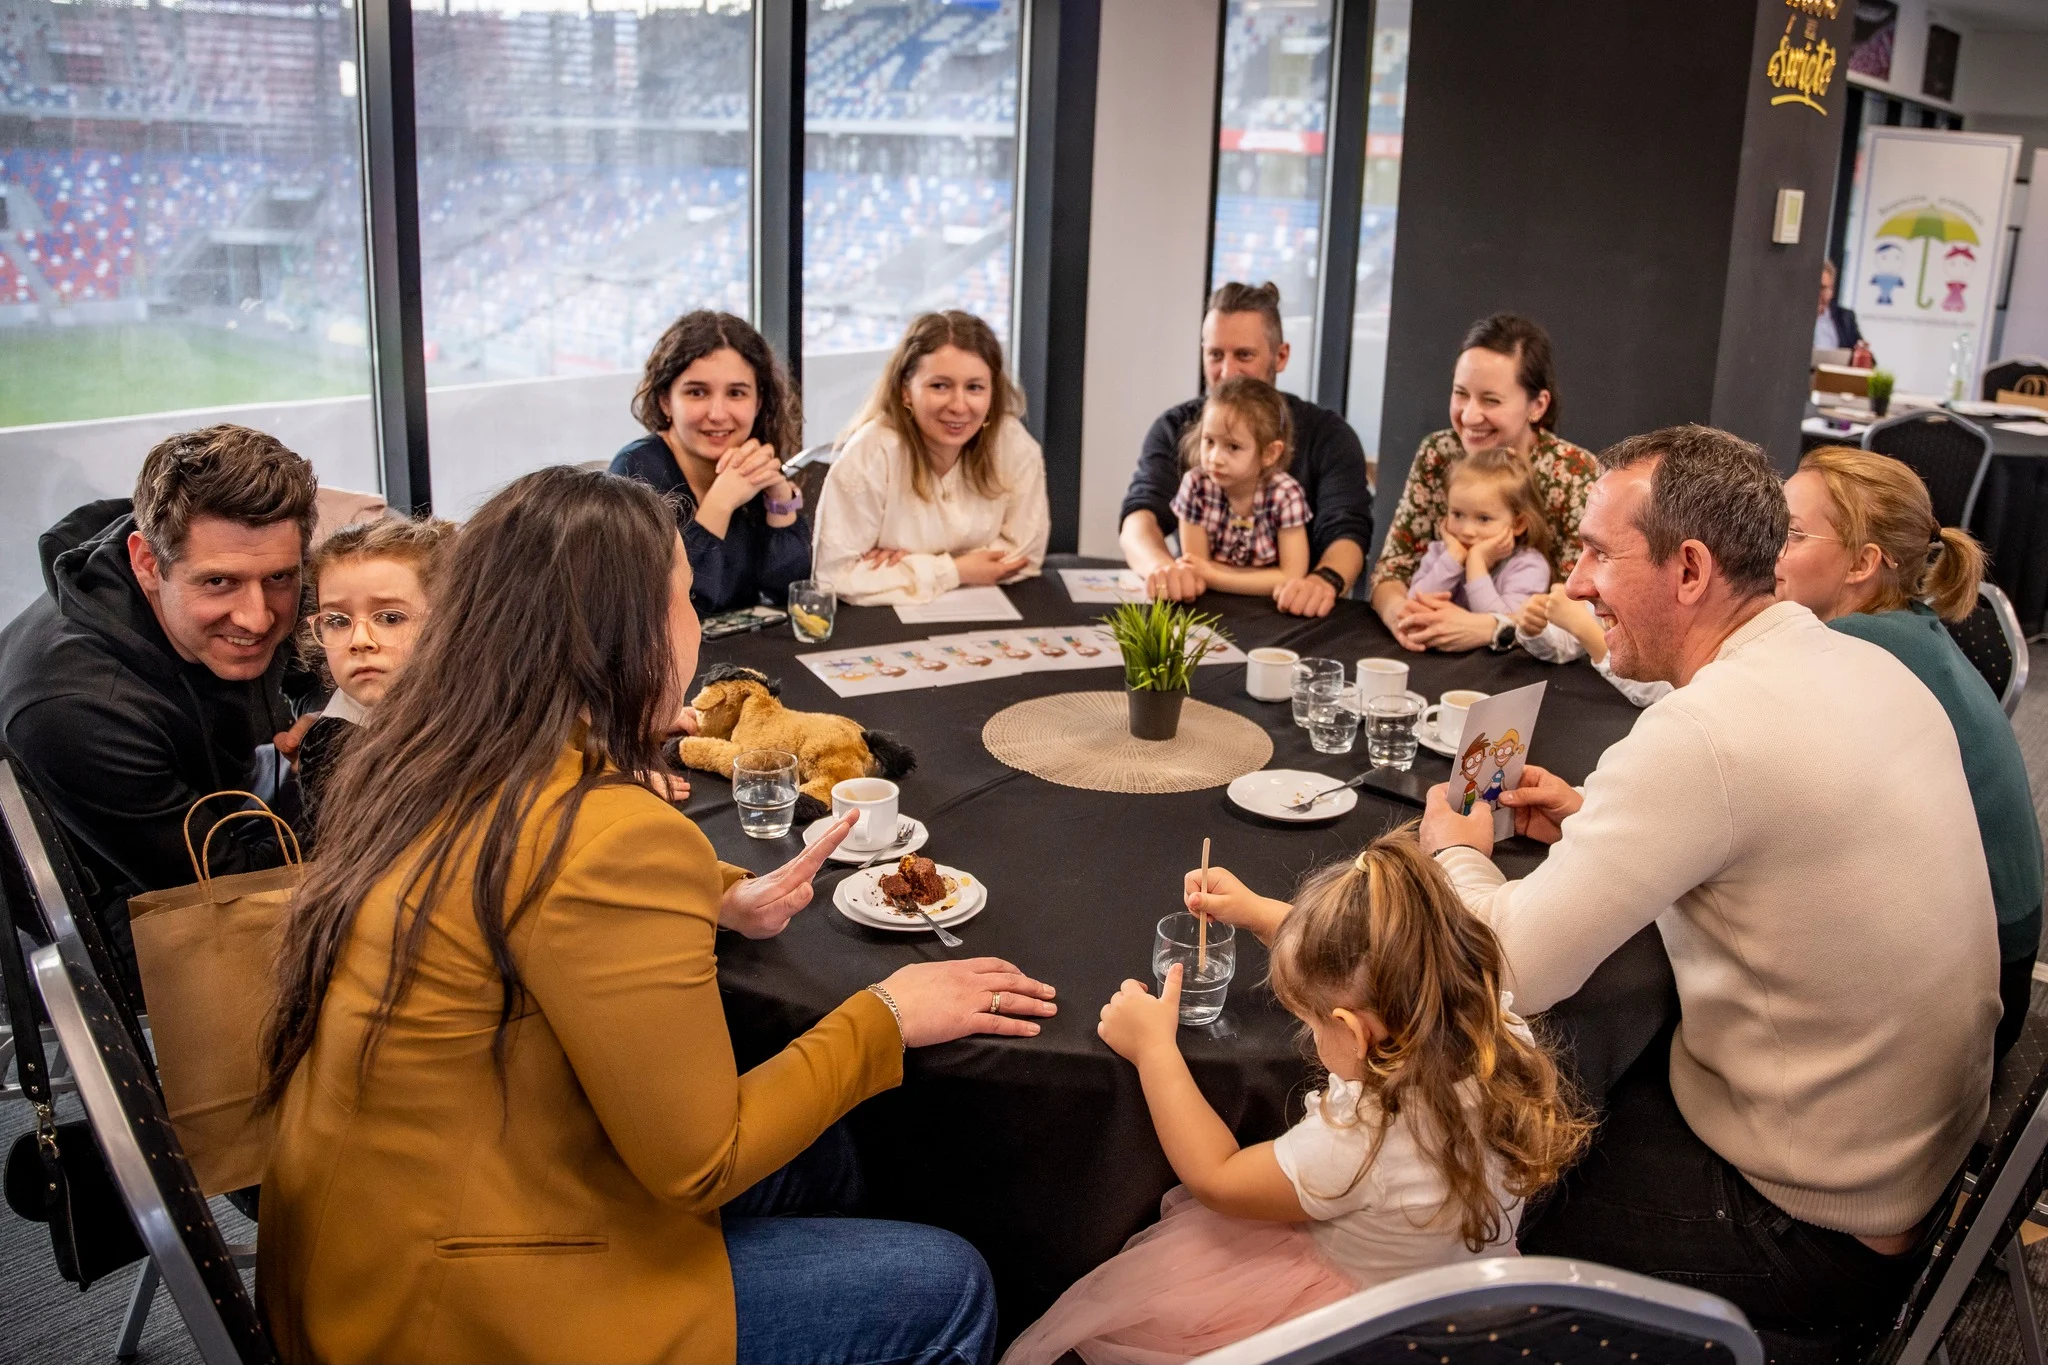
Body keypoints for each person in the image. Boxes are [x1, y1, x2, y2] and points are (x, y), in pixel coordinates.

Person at [257, 466, 1059, 1365]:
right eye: (683, 597)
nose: (695, 622)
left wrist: (713, 886)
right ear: (625, 632)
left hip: (353, 1247)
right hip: (461, 1310)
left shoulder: (422, 755)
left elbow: (525, 875)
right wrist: (890, 1014)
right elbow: (702, 1161)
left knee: (828, 1157)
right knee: (949, 1283)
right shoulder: (607, 832)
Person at [1406, 425, 1997, 1339]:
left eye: (1600, 553)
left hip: (1810, 1228)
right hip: (1924, 1176)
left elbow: (1510, 964)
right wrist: (1595, 812)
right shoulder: (1860, 665)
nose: (1575, 584)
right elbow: (1768, 834)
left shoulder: (1707, 732)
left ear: (1689, 570)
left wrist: (1455, 850)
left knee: (1467, 1196)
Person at [1007, 827, 1588, 1364]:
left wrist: (1153, 1048)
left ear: (1356, 1032)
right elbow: (1377, 956)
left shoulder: (1362, 1141)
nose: (1309, 1036)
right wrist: (1260, 913)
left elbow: (1219, 1176)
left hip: (1349, 1324)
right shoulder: (1495, 1026)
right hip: (1459, 1291)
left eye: (1312, 1021)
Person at [0, 424, 317, 998]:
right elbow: (236, 893)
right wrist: (338, 772)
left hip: (214, 821)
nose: (257, 617)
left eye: (280, 579)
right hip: (124, 913)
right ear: (147, 562)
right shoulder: (78, 710)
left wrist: (326, 714)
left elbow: (319, 663)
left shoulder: (237, 549)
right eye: (219, 583)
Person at [1776, 445, 2041, 1055]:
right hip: (2000, 952)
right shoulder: (1904, 624)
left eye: (1790, 535)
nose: (1770, 553)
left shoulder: (1850, 648)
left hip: (1970, 990)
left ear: (1863, 562)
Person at [1119, 281, 1373, 617]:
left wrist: (1322, 582)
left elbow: (1348, 530)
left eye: (1244, 355)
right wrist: (1162, 569)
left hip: (1291, 614)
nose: (1227, 372)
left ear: (1280, 356)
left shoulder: (1329, 435)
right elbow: (1140, 516)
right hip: (1199, 611)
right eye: (1215, 355)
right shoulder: (1175, 427)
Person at [1372, 314, 1596, 653]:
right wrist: (1403, 616)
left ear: (1537, 405)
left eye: (1491, 400)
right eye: (1461, 394)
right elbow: (1393, 569)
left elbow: (1583, 605)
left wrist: (1488, 627)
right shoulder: (1439, 452)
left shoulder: (1574, 471)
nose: (1469, 416)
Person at [811, 310, 1049, 605]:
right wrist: (956, 570)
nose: (959, 406)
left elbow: (1025, 556)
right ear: (905, 392)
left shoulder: (1011, 442)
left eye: (974, 387)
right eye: (940, 386)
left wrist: (908, 567)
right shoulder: (872, 451)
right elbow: (834, 577)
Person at [611, 311, 811, 615]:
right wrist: (721, 502)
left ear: (758, 403)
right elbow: (679, 609)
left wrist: (779, 498)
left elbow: (792, 592)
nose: (717, 413)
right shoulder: (635, 472)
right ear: (666, 401)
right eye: (697, 392)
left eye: (736, 393)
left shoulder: (752, 462)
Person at [285, 516, 458, 839]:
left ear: (446, 622)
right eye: (337, 620)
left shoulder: (482, 710)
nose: (359, 639)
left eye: (390, 618)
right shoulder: (331, 745)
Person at [1168, 375, 1310, 596]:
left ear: (1270, 453)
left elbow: (1292, 575)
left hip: (1269, 613)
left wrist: (1215, 576)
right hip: (1209, 604)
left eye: (1233, 447)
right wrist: (1263, 580)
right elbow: (1196, 567)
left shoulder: (1285, 495)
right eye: (1209, 441)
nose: (1215, 458)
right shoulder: (1196, 486)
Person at [1401, 445, 1554, 623]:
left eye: (1483, 519)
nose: (1466, 531)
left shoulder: (1528, 566)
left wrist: (1476, 563)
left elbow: (1504, 624)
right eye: (1457, 514)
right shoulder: (1441, 552)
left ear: (1518, 524)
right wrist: (1454, 558)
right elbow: (1413, 607)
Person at [1514, 584, 1671, 709]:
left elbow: (1662, 693)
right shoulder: (1610, 584)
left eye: (1602, 555)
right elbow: (1563, 647)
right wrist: (1534, 627)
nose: (1575, 579)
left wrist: (1583, 627)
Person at [1816, 259, 1877, 368]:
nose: (1818, 294)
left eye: (1823, 288)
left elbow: (1870, 363)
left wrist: (1862, 352)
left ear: (1832, 290)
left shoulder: (1845, 318)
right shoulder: (1791, 319)